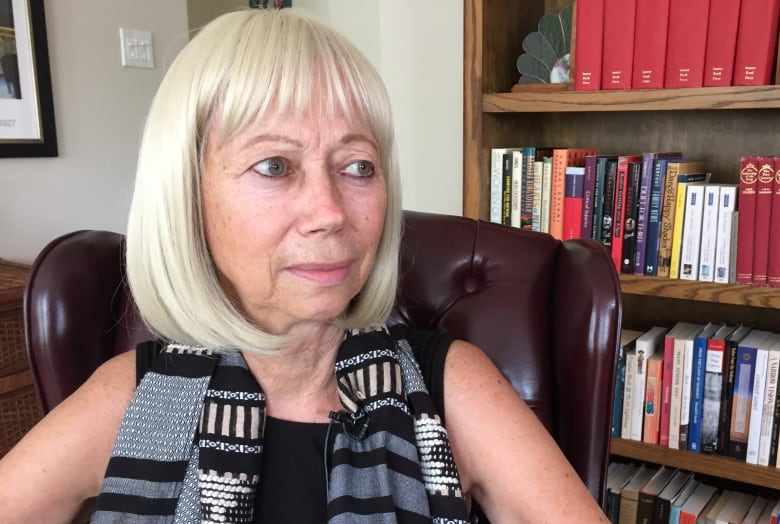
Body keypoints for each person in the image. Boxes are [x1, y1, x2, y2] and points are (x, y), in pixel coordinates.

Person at [0, 8, 609, 523]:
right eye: (273, 165)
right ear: (189, 195)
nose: (330, 212)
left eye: (358, 166)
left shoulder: (452, 389)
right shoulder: (131, 399)